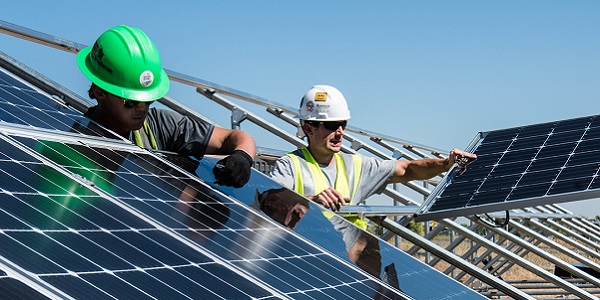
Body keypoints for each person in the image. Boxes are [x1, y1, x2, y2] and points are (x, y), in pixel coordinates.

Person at [269, 85, 477, 229]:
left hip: (347, 258)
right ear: (308, 128)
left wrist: (446, 163)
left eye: (343, 124)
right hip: (306, 256)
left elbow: (408, 169)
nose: (340, 132)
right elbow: (271, 206)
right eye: (332, 126)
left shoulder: (356, 165)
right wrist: (311, 201)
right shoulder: (290, 165)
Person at [76, 25, 256, 188]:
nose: (142, 109)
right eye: (131, 101)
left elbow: (233, 137)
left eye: (148, 100)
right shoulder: (72, 141)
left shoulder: (161, 124)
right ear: (99, 91)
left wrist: (242, 157)